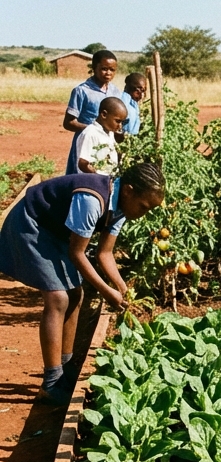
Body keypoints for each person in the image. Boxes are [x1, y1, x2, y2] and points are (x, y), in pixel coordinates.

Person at [0, 163, 165, 404]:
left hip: (56, 231)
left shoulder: (120, 207)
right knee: (58, 298)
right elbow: (78, 253)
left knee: (76, 295)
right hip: (31, 223)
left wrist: (122, 288)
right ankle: (52, 382)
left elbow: (104, 254)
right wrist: (107, 292)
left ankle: (66, 368)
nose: (144, 213)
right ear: (129, 190)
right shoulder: (92, 199)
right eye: (144, 207)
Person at [62, 50, 123, 174]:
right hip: (87, 141)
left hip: (108, 141)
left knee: (105, 172)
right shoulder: (82, 91)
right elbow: (68, 122)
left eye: (112, 70)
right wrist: (93, 130)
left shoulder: (115, 91)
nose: (108, 73)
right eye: (104, 69)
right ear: (94, 67)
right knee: (82, 174)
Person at [73, 97, 126, 175]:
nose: (120, 126)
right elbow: (83, 163)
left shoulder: (109, 133)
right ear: (104, 114)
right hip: (93, 182)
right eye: (117, 121)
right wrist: (98, 176)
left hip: (107, 181)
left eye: (122, 122)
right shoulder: (90, 133)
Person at [117, 73, 145, 141]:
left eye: (143, 90)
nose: (141, 95)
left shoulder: (134, 103)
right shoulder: (124, 100)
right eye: (138, 91)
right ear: (130, 88)